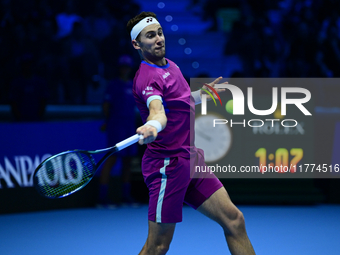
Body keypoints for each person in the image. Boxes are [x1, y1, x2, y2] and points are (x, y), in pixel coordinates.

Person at [127, 11, 256, 255]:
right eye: (150, 36)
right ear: (137, 44)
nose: (159, 39)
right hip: (167, 166)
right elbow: (158, 111)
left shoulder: (171, 66)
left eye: (160, 33)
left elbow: (179, 101)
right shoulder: (147, 79)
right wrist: (153, 125)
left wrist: (201, 96)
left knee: (234, 220)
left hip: (189, 159)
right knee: (158, 245)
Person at [98, 54, 139, 207]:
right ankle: (102, 198)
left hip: (129, 126)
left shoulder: (132, 85)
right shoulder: (113, 85)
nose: (125, 69)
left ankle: (125, 196)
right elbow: (106, 106)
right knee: (112, 159)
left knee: (128, 161)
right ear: (119, 68)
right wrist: (108, 121)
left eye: (127, 67)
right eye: (122, 66)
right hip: (116, 126)